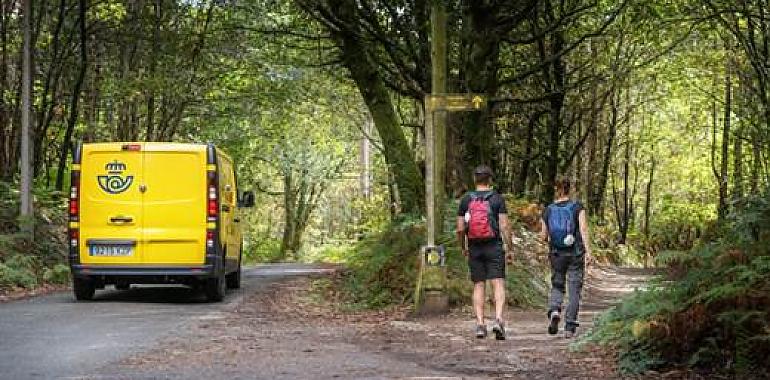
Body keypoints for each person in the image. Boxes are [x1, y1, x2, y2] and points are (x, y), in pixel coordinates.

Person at [456, 165, 514, 340]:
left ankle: (480, 325)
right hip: (494, 245)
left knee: (479, 285)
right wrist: (510, 247)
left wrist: (463, 246)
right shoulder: (497, 199)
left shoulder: (466, 200)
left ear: (475, 179)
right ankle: (498, 320)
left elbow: (459, 229)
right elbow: (504, 225)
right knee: (497, 283)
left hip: (474, 246)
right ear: (489, 180)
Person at [540, 176, 593, 338]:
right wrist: (589, 251)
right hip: (575, 253)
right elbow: (583, 229)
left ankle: (555, 310)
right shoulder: (577, 207)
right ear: (570, 189)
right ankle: (569, 327)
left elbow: (543, 236)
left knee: (557, 285)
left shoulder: (548, 210)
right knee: (574, 289)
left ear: (556, 189)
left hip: (557, 253)